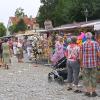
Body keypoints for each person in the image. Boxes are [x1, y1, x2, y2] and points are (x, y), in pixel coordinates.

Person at [80, 32, 100, 97]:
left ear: (85, 37)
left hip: (85, 64)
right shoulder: (96, 43)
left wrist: (81, 63)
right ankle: (93, 92)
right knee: (94, 77)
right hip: (94, 63)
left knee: (86, 77)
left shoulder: (83, 44)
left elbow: (81, 55)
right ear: (92, 37)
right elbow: (99, 54)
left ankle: (88, 92)